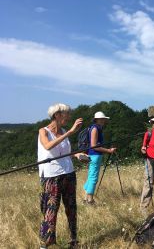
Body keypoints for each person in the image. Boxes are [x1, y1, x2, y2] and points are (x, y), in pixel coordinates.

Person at [38, 103, 87, 248]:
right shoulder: (44, 131)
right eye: (67, 114)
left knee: (71, 208)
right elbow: (48, 146)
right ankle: (46, 243)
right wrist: (70, 132)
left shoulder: (64, 131)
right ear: (57, 115)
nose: (69, 117)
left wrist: (77, 155)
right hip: (51, 176)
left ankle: (73, 240)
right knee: (50, 210)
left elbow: (65, 153)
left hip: (68, 174)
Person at [83, 111, 116, 204]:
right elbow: (94, 146)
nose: (104, 121)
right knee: (93, 177)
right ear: (97, 120)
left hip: (93, 155)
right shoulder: (95, 129)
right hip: (95, 155)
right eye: (102, 119)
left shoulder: (94, 128)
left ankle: (86, 198)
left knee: (91, 176)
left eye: (104, 119)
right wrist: (109, 151)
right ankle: (90, 199)